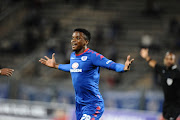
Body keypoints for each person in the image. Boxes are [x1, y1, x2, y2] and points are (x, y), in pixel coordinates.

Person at [39, 28, 134, 120]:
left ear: (86, 42)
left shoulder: (93, 56)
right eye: (72, 38)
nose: (73, 40)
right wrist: (56, 65)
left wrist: (123, 68)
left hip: (93, 104)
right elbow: (72, 68)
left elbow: (111, 65)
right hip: (79, 104)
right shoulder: (73, 56)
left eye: (78, 38)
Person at [140, 48, 180, 120]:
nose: (168, 60)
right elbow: (154, 64)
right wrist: (146, 57)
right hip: (167, 103)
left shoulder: (177, 73)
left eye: (170, 59)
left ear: (174, 60)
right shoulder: (163, 70)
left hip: (175, 104)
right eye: (167, 58)